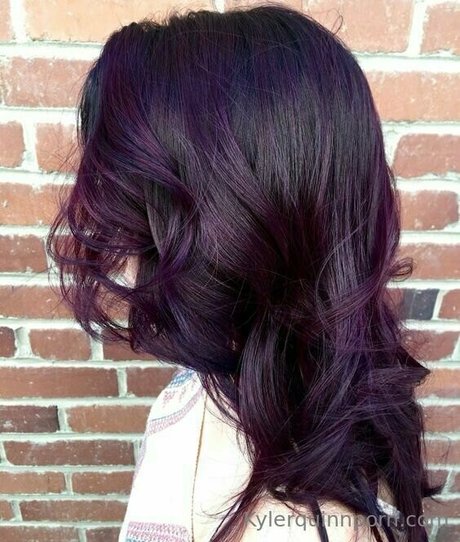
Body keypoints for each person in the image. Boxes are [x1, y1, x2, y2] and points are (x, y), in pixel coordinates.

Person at [45, 4, 443, 541]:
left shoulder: (278, 522)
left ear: (231, 235)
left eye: (129, 212)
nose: (111, 242)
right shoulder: (299, 376)